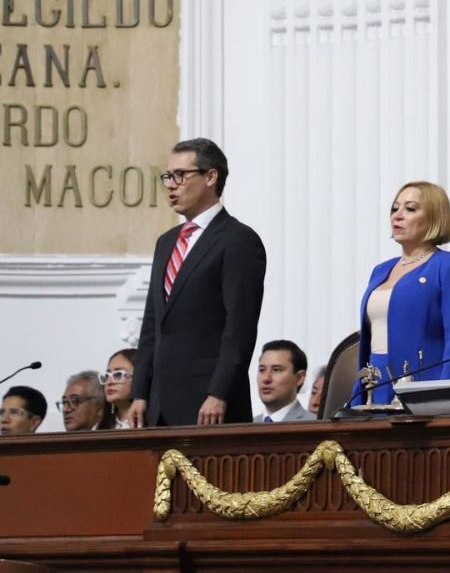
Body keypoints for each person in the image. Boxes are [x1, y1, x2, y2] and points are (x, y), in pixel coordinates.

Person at [131, 138, 268, 427]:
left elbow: (239, 327)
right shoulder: (166, 242)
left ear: (210, 176)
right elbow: (152, 324)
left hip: (209, 403)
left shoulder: (238, 240)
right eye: (168, 176)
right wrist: (140, 392)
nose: (171, 184)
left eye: (180, 175)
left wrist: (219, 392)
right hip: (158, 404)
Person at [353, 182, 450, 405]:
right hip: (375, 385)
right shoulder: (380, 270)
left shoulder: (449, 266)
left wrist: (445, 401)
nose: (397, 216)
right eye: (394, 209)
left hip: (421, 391)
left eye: (410, 209)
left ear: (434, 216)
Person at [255, 340, 317, 422]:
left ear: (299, 378)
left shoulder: (314, 426)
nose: (266, 379)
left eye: (276, 370)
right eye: (262, 370)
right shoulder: (244, 427)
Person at [99, 348, 137, 429]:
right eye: (107, 376)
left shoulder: (156, 424)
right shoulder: (99, 427)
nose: (109, 382)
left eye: (118, 375)